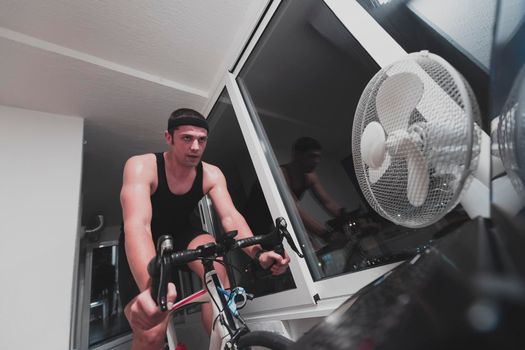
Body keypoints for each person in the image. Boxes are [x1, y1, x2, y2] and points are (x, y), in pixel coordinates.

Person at [118, 108, 290, 350]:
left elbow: (230, 217)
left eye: (202, 139)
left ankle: (224, 340)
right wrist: (152, 288)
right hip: (144, 241)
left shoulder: (211, 173)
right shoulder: (141, 166)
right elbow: (138, 226)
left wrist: (259, 254)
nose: (196, 147)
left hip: (182, 233)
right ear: (169, 138)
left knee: (217, 264)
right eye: (187, 138)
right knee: (151, 329)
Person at [280, 137, 344, 245]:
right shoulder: (281, 173)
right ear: (297, 155)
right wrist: (326, 234)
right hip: (262, 220)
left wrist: (349, 219)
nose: (316, 161)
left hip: (284, 218)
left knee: (312, 243)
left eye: (318, 157)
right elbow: (293, 209)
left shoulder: (310, 176)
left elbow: (327, 203)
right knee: (310, 244)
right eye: (312, 156)